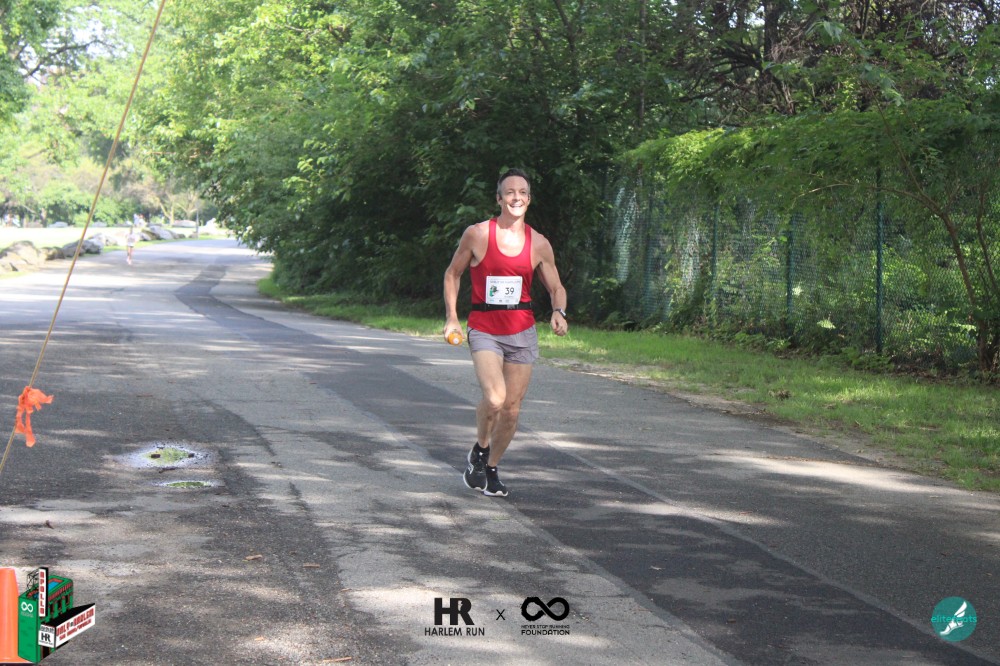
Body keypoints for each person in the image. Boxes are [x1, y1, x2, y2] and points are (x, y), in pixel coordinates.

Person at [443, 168, 568, 497]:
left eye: (522, 192)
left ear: (529, 199)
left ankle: (491, 467)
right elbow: (453, 274)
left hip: (522, 330)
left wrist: (559, 311)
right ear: (499, 199)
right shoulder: (477, 234)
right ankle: (480, 448)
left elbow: (556, 287)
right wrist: (452, 317)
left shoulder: (539, 243)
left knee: (511, 410)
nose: (516, 197)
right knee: (496, 398)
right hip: (485, 327)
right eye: (509, 192)